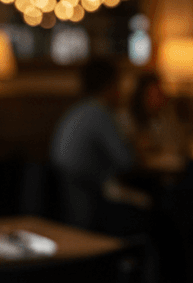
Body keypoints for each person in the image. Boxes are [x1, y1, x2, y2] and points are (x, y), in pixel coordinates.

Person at [50, 57, 135, 229]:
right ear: (110, 85)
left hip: (64, 190)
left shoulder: (79, 110)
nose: (121, 91)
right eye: (119, 84)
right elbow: (126, 161)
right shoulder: (99, 113)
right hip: (87, 193)